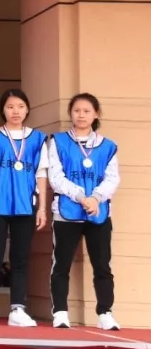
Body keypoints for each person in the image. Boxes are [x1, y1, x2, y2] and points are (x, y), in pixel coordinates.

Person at [47, 93, 121, 330]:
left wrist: (96, 198)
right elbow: (55, 177)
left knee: (102, 265)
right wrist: (81, 196)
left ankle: (105, 312)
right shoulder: (58, 141)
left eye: (87, 111)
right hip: (66, 212)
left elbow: (112, 178)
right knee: (61, 264)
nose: (81, 115)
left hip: (99, 213)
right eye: (77, 110)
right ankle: (60, 312)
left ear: (95, 114)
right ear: (70, 113)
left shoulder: (108, 146)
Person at [0, 88, 48, 327]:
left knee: (20, 259)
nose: (15, 111)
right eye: (10, 107)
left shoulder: (38, 139)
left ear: (27, 109)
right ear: (3, 110)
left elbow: (41, 174)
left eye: (20, 106)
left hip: (26, 207)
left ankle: (18, 309)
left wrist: (42, 208)